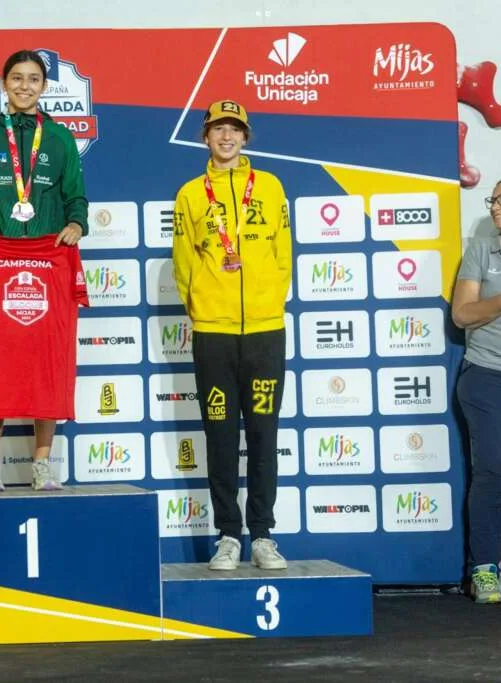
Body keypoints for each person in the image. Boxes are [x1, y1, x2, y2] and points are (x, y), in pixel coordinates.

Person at [0, 49, 89, 492]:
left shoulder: (60, 138)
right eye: (16, 78)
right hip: (0, 261)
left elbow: (77, 197)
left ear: (43, 87)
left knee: (47, 366)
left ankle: (42, 464)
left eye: (33, 79)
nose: (24, 86)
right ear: (4, 84)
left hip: (49, 262)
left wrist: (76, 223)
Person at [172, 100, 292, 570]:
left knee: (263, 435)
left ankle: (262, 535)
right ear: (205, 137)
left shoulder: (271, 186)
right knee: (220, 437)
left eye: (234, 129)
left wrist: (269, 300)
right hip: (214, 334)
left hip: (265, 331)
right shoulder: (190, 194)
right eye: (218, 129)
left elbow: (283, 253)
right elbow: (184, 262)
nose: (226, 137)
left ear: (246, 137)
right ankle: (228, 535)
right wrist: (203, 308)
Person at [452, 178, 501, 603]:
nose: (495, 206)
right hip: (486, 375)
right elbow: (463, 314)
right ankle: (484, 568)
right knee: (493, 468)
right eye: (493, 199)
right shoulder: (482, 250)